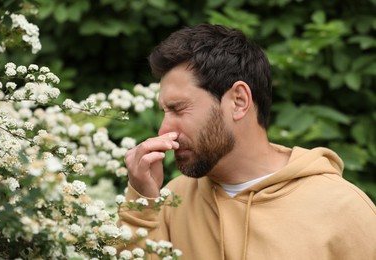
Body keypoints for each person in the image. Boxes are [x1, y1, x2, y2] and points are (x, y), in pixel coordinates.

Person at [119, 24, 376, 259]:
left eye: (178, 108)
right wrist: (140, 208)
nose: (164, 129)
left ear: (239, 101)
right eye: (165, 111)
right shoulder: (169, 200)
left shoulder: (344, 208)